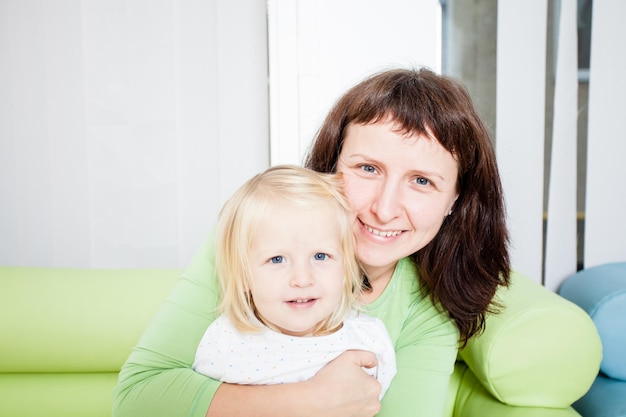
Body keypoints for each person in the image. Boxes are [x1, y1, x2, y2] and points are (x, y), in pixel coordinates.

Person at [113, 67, 510, 417]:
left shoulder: (426, 308)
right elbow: (136, 401)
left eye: (422, 181)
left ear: (455, 199)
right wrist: (307, 401)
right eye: (367, 168)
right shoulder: (251, 241)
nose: (385, 209)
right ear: (331, 168)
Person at [192, 165, 396, 398]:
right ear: (243, 276)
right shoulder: (225, 341)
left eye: (320, 256)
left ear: (344, 269)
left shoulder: (369, 340)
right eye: (277, 259)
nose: (302, 279)